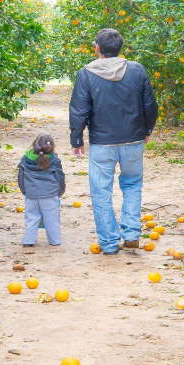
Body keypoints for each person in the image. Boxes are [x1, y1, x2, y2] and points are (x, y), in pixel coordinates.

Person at [69, 28, 158, 255]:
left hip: (102, 143)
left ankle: (109, 243)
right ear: (120, 48)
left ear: (97, 49)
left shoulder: (86, 73)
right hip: (133, 140)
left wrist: (77, 139)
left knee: (101, 192)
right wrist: (147, 128)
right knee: (132, 185)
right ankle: (130, 234)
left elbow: (79, 110)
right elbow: (150, 105)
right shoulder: (136, 70)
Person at [17, 133, 66, 247]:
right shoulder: (54, 160)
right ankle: (55, 241)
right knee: (52, 219)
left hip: (31, 195)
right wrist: (61, 191)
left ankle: (28, 241)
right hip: (50, 195)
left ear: (34, 145)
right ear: (52, 146)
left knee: (31, 218)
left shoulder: (25, 159)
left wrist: (24, 191)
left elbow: (21, 177)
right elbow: (60, 177)